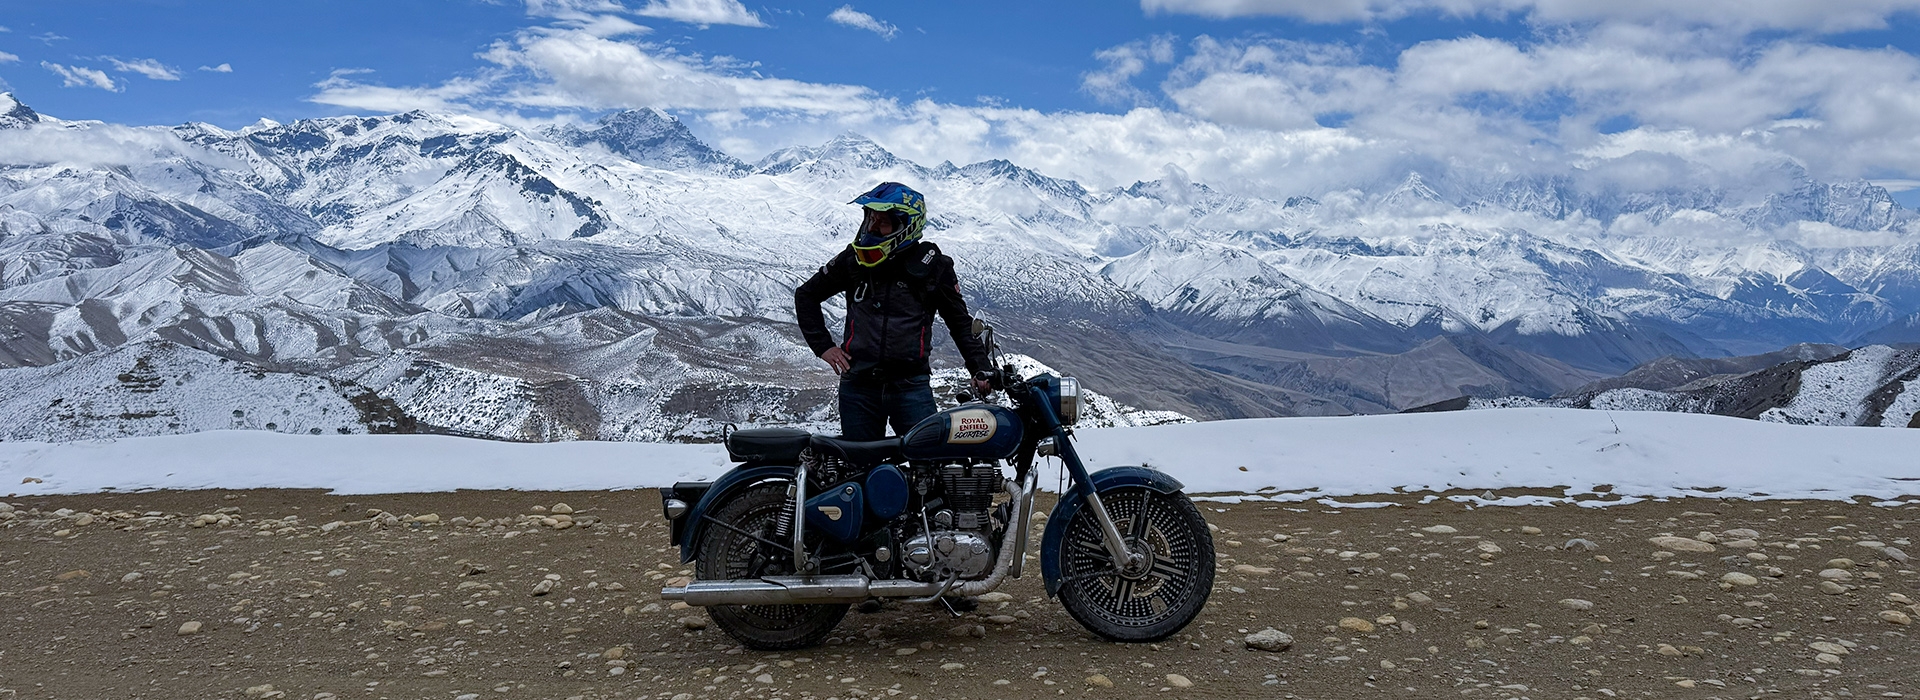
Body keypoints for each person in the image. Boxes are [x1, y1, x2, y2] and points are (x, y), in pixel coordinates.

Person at [795, 182, 994, 441]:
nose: (873, 228)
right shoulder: (853, 260)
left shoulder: (934, 266)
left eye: (883, 222)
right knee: (861, 469)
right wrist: (823, 346)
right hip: (859, 386)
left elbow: (959, 323)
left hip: (911, 387)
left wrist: (980, 367)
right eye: (871, 219)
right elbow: (806, 295)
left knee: (929, 467)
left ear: (906, 225)